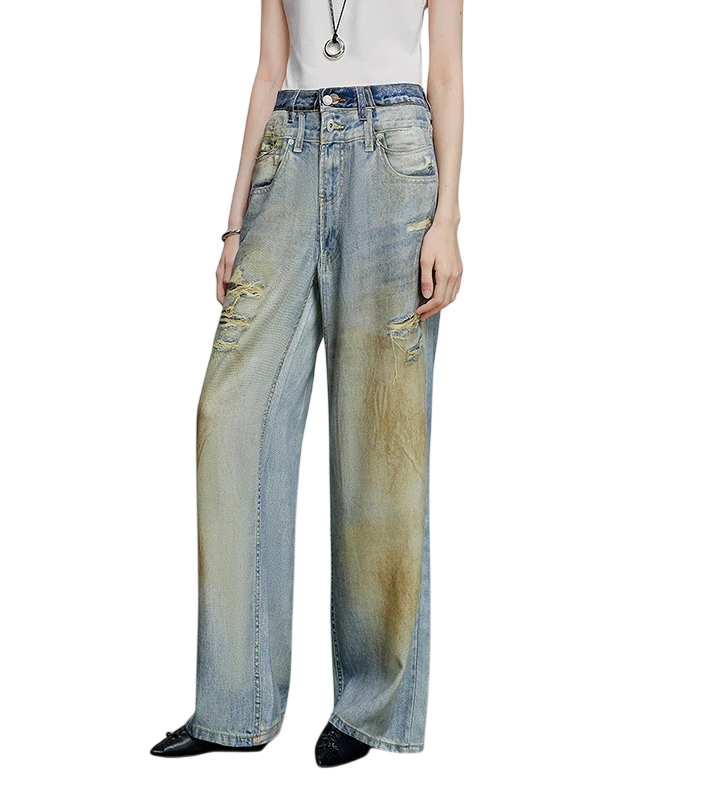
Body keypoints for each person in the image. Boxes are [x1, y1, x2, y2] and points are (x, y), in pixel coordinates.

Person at [150, 0, 463, 767]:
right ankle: (236, 704)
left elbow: (448, 76)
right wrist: (234, 225)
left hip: (393, 159)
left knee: (381, 438)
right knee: (230, 414)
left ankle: (371, 707)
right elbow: (267, 71)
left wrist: (448, 221)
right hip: (286, 156)